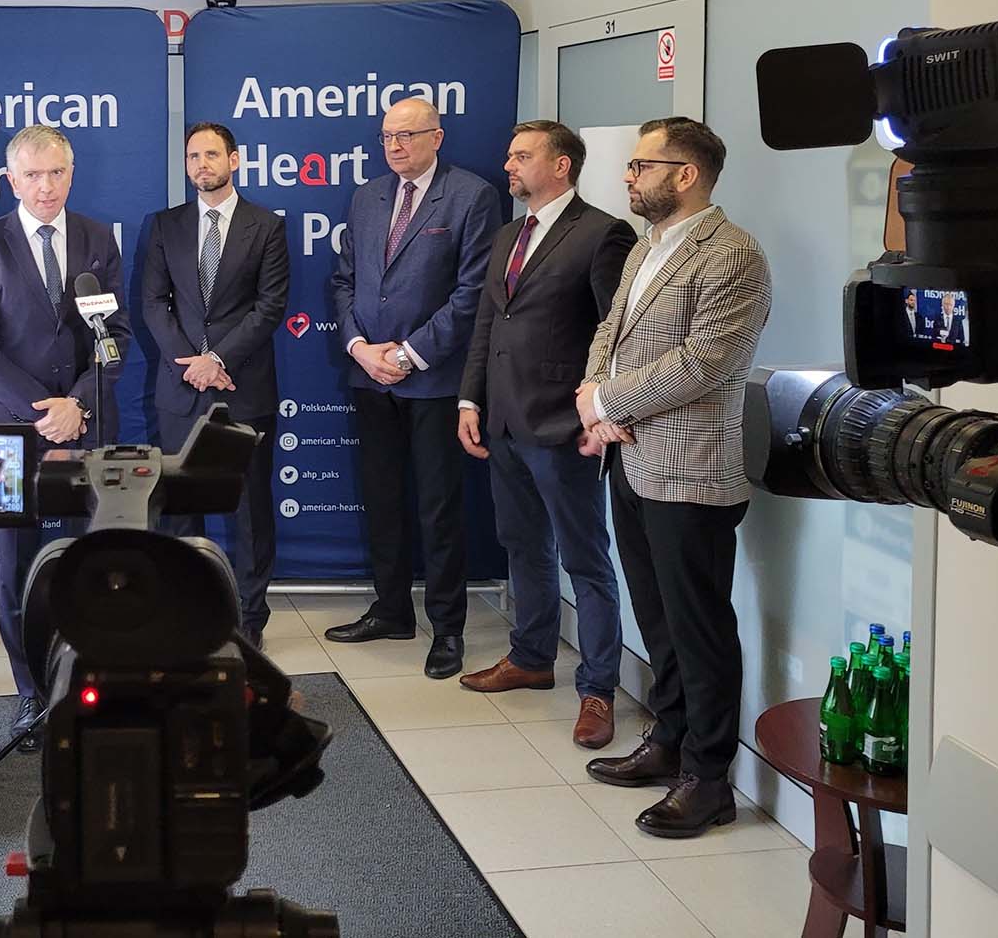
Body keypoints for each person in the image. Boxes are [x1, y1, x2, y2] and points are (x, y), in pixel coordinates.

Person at [577, 117, 772, 839]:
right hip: (630, 459)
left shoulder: (733, 254)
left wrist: (607, 403)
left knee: (699, 628)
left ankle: (708, 777)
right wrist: (594, 397)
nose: (628, 177)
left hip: (691, 470)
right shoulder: (646, 245)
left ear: (685, 175)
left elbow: (703, 363)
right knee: (656, 617)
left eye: (641, 166)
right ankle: (668, 740)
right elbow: (610, 331)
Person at [457, 120, 635, 749]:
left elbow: (617, 333)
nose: (509, 165)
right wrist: (470, 398)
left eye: (522, 156)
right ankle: (532, 658)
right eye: (509, 155)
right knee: (522, 545)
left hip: (564, 424)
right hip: (504, 419)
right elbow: (488, 324)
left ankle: (598, 688)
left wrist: (603, 414)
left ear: (561, 165)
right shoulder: (508, 235)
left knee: (585, 559)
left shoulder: (603, 233)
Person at [0, 124, 131, 751]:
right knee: (14, 568)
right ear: (12, 180)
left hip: (89, 424)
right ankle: (31, 691)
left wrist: (77, 405)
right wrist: (45, 413)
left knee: (93, 559)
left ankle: (89, 681)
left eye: (57, 172)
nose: (46, 186)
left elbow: (116, 336)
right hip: (13, 432)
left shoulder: (98, 238)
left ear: (71, 174)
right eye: (33, 175)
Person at [326, 96, 502, 679]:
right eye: (386, 137)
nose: (395, 146)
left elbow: (472, 294)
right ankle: (392, 610)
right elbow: (345, 282)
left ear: (437, 136)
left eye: (406, 135)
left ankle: (447, 628)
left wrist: (408, 354)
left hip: (433, 380)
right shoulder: (367, 196)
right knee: (382, 500)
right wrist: (360, 348)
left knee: (438, 508)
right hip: (369, 377)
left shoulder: (472, 196)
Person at [139, 121, 290, 647]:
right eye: (192, 156)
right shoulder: (165, 225)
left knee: (250, 512)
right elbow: (153, 303)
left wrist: (218, 359)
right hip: (181, 389)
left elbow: (270, 305)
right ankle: (191, 608)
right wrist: (193, 364)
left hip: (243, 388)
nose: (201, 165)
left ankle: (251, 618)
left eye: (211, 154)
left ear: (234, 160)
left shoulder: (266, 226)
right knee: (181, 508)